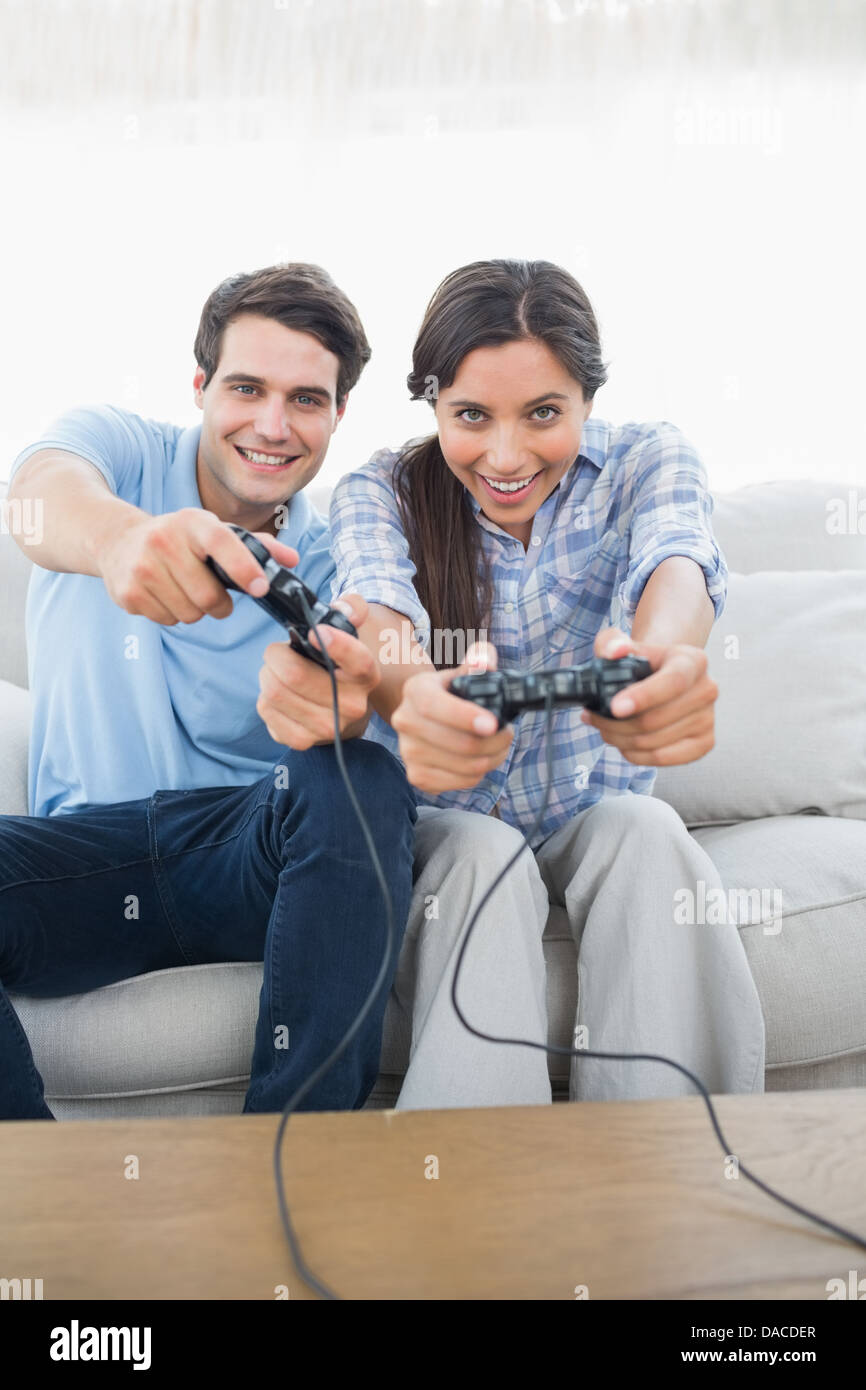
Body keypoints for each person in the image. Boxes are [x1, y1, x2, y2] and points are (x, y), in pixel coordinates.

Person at [325, 257, 766, 1109]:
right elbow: (378, 614)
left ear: (588, 401)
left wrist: (656, 665)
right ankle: (477, 1195)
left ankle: (673, 1170)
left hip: (588, 813)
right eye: (471, 416)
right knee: (484, 854)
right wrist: (416, 698)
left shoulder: (648, 461)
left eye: (543, 414)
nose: (505, 453)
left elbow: (676, 562)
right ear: (432, 405)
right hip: (451, 824)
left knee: (647, 828)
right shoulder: (380, 490)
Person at [1, 262, 416, 1121]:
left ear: (339, 414)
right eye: (247, 388)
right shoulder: (116, 450)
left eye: (307, 399)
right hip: (83, 857)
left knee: (361, 779)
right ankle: (36, 1195)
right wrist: (125, 543)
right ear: (199, 386)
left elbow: (385, 659)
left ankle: (297, 1171)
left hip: (242, 861)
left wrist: (348, 708)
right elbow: (38, 502)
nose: (272, 425)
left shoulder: (338, 555)